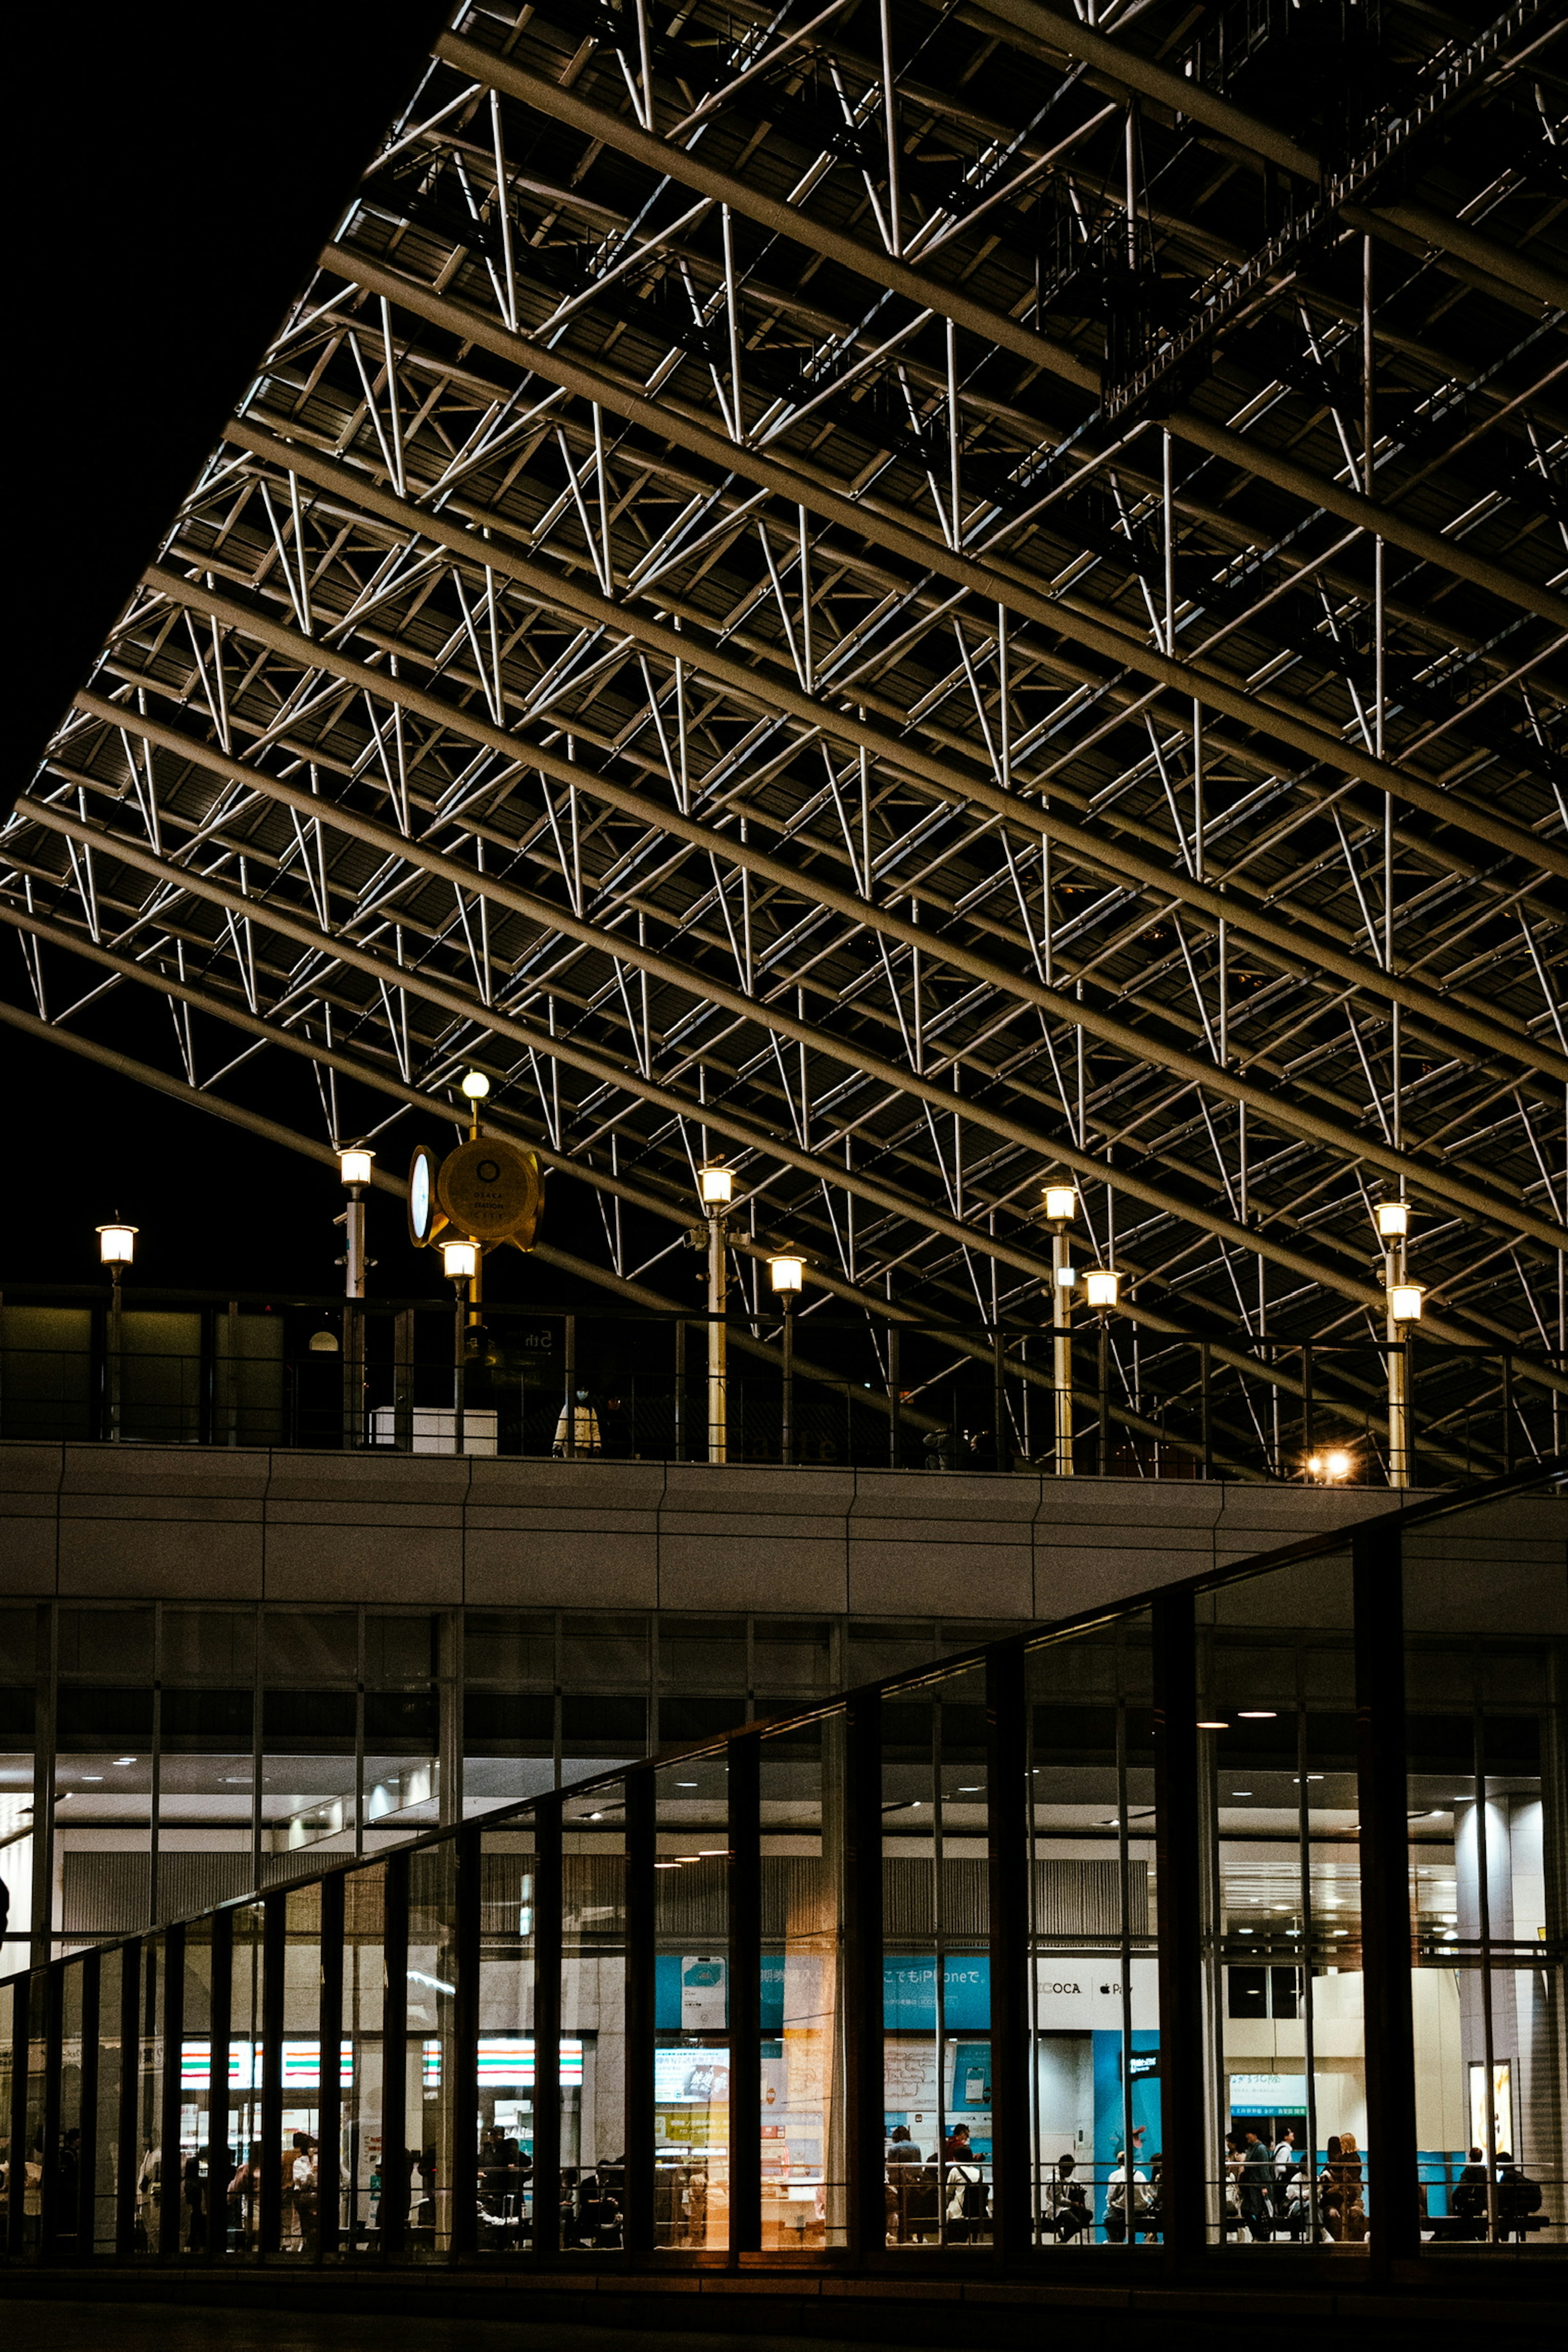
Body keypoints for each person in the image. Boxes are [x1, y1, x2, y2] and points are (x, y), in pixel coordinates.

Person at [944, 2137, 988, 2243]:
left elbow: (948, 2194)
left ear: (956, 2159)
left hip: (960, 2214)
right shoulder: (979, 2173)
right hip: (977, 2212)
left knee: (948, 2212)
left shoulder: (956, 2170)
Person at [1104, 2149, 1149, 2243]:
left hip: (1122, 2211)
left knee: (1106, 2216)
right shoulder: (1141, 2175)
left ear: (1118, 2162)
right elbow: (1146, 2193)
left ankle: (1114, 2242)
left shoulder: (1115, 2175)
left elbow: (1110, 2197)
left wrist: (1111, 2204)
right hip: (1141, 2212)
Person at [1238, 2128, 1275, 2241]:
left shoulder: (1261, 2149)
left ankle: (1261, 2236)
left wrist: (1265, 2185)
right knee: (1250, 2211)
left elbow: (1264, 2169)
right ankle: (1259, 2234)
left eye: (1249, 2133)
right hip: (1253, 2186)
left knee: (1259, 2212)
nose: (1247, 2136)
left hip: (1258, 2187)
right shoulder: (1254, 2148)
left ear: (1255, 2135)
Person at [1045, 2153, 1089, 2241]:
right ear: (1063, 2169)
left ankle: (1064, 2238)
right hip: (1057, 2209)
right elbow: (1058, 2200)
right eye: (1070, 2170)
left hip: (1065, 2207)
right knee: (1076, 2223)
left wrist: (1080, 2186)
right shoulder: (1054, 2180)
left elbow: (1071, 2180)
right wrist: (1074, 2204)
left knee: (1088, 2215)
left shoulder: (1063, 2178)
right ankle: (1063, 2241)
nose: (1071, 2173)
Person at [552, 1388, 601, 1457]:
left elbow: (595, 1429)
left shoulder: (591, 1411)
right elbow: (562, 1426)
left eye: (585, 1391)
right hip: (570, 1445)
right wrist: (558, 1443)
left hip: (584, 1445)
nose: (583, 1393)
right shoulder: (569, 1408)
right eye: (581, 1391)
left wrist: (597, 1446)